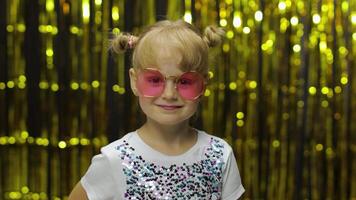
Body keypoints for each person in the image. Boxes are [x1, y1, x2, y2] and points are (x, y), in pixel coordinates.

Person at [68, 19, 244, 200]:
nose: (169, 94)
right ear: (134, 81)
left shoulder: (219, 155)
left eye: (184, 81)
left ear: (203, 85)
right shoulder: (115, 160)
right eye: (154, 80)